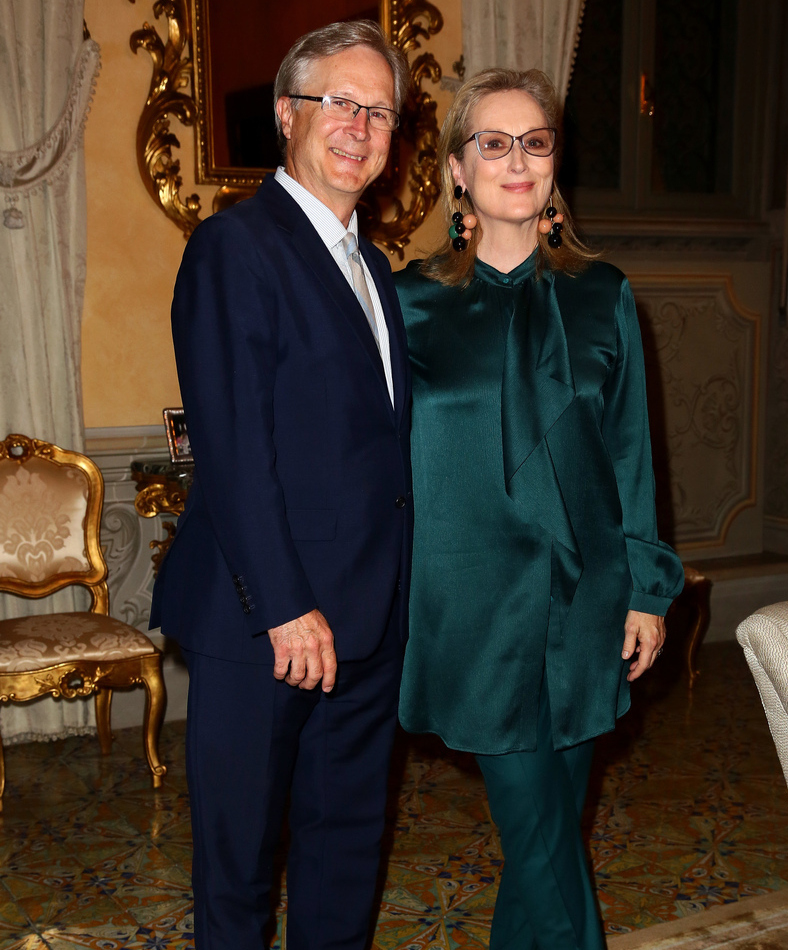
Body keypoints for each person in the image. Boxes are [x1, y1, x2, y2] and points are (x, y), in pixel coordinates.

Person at [395, 67, 685, 950]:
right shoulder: (408, 303)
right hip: (470, 601)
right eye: (493, 142)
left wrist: (646, 587)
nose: (516, 161)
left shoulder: (605, 295)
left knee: (543, 843)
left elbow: (633, 452)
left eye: (536, 142)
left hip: (585, 596)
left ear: (555, 165)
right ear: (456, 168)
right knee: (542, 836)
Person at [149, 21, 412, 950]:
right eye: (340, 102)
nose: (359, 126)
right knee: (240, 871)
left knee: (346, 853)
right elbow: (231, 449)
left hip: (367, 625)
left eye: (378, 111)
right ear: (286, 114)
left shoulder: (376, 269)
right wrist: (286, 607)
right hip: (263, 624)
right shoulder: (236, 247)